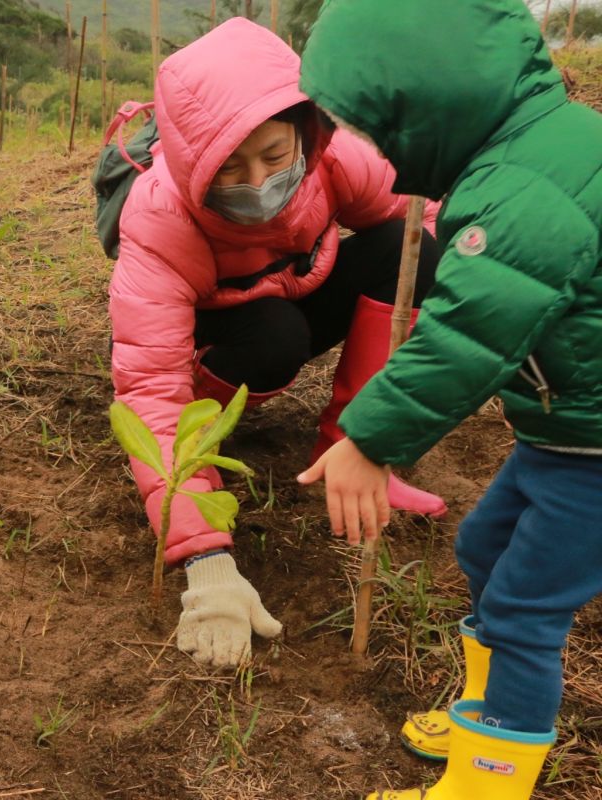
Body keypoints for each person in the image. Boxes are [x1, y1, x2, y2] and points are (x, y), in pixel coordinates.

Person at [296, 0, 602, 797]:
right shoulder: (528, 151)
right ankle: (483, 713)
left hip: (596, 451)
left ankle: (487, 784)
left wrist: (370, 441)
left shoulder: (528, 186)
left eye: (371, 120)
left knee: (526, 613)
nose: (368, 142)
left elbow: (469, 336)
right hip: (566, 432)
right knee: (484, 554)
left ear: (422, 100)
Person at [109, 18, 447, 669]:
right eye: (230, 167)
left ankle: (352, 445)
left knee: (410, 251)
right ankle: (212, 427)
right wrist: (206, 562)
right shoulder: (160, 219)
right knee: (273, 336)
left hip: (295, 293)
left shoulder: (335, 159)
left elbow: (418, 216)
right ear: (190, 164)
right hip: (226, 338)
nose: (260, 181)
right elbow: (151, 390)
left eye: (273, 156)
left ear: (304, 130)